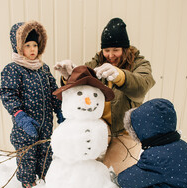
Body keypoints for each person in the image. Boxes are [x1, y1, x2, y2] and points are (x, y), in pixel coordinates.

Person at [54, 17, 155, 174]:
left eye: (115, 50)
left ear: (125, 49)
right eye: (107, 50)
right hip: (101, 126)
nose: (110, 55)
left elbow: (141, 86)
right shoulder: (98, 61)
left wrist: (121, 76)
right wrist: (69, 76)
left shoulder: (140, 64)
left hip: (126, 131)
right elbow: (82, 78)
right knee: (85, 165)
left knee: (110, 172)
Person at [0, 21, 64, 188]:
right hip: (25, 123)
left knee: (45, 151)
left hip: (45, 122)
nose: (32, 49)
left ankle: (45, 175)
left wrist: (60, 110)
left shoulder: (43, 68)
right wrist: (19, 115)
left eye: (35, 45)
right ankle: (28, 180)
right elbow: (7, 93)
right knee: (27, 153)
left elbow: (53, 91)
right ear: (19, 47)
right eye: (27, 45)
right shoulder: (13, 70)